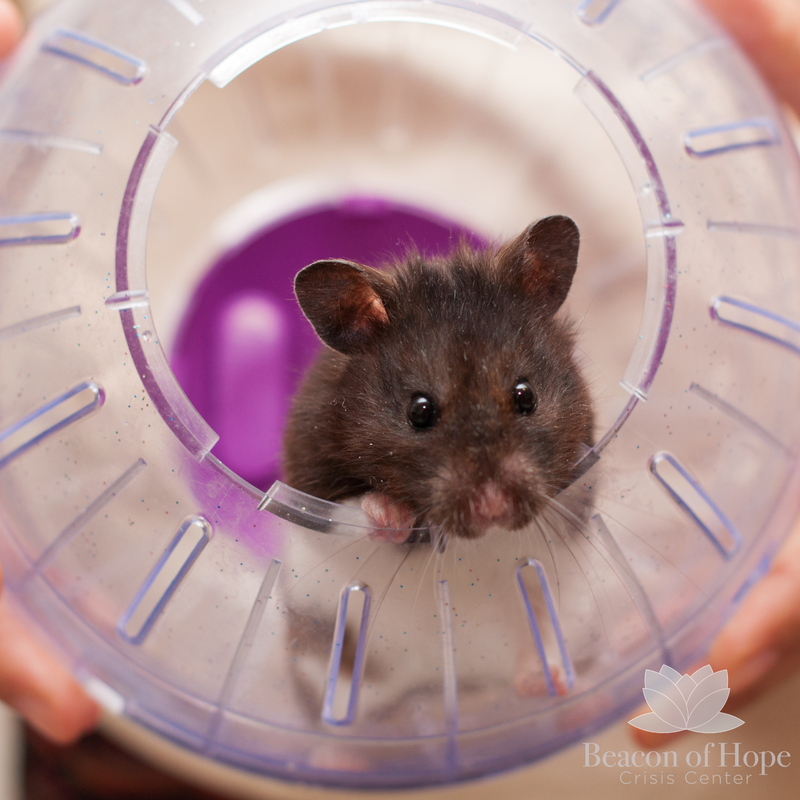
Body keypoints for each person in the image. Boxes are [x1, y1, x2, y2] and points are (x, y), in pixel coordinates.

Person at [1, 0, 800, 747]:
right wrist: (362, 511)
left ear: (546, 294)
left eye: (523, 401)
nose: (491, 489)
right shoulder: (331, 416)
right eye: (424, 413)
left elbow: (578, 494)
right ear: (349, 325)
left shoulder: (569, 399)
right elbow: (313, 494)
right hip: (211, 119)